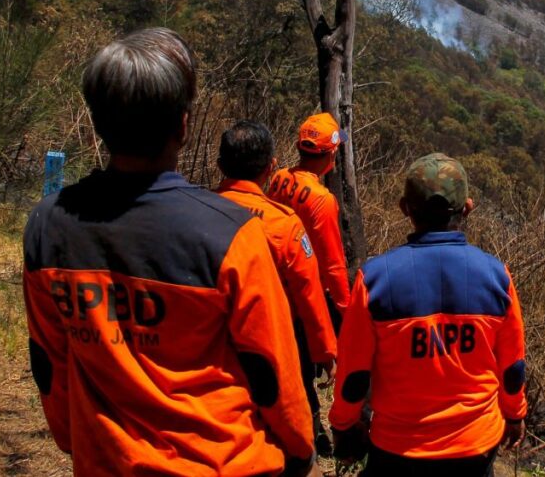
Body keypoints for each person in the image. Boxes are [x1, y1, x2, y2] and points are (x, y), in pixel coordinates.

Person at [23, 28, 321, 477]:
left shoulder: (48, 228)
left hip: (105, 460)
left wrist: (76, 439)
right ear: (182, 126)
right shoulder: (230, 234)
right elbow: (271, 368)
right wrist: (300, 447)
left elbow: (50, 362)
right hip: (221, 462)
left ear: (99, 123)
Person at [329, 153, 528, 476]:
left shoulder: (377, 280)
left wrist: (343, 423)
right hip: (475, 446)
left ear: (405, 208)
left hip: (399, 447)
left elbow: (354, 371)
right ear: (467, 208)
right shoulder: (496, 277)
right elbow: (512, 365)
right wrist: (515, 413)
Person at [215, 121, 338, 400]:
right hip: (274, 332)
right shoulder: (284, 225)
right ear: (270, 166)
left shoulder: (198, 207)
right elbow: (309, 295)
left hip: (211, 335)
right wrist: (326, 351)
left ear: (221, 166)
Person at [267, 112, 352, 455]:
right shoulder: (322, 200)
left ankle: (307, 422)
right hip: (305, 290)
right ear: (331, 155)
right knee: (306, 362)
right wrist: (347, 310)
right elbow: (333, 263)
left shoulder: (278, 178)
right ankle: (315, 430)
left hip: (275, 282)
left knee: (293, 363)